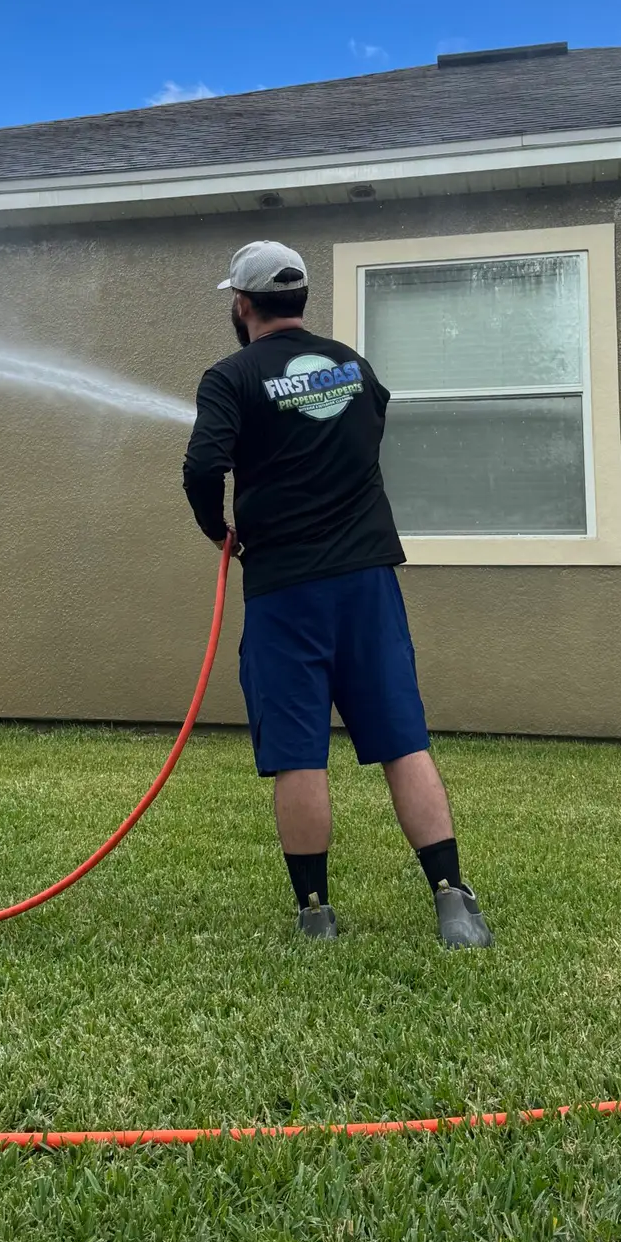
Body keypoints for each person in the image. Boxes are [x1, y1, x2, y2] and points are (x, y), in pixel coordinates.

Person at [182, 239, 493, 949]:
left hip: (286, 589)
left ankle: (316, 915)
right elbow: (371, 428)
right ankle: (452, 903)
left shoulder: (229, 377)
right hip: (366, 583)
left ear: (242, 304)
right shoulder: (353, 366)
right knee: (401, 741)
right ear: (300, 300)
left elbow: (202, 467)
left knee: (298, 753)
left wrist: (218, 530)